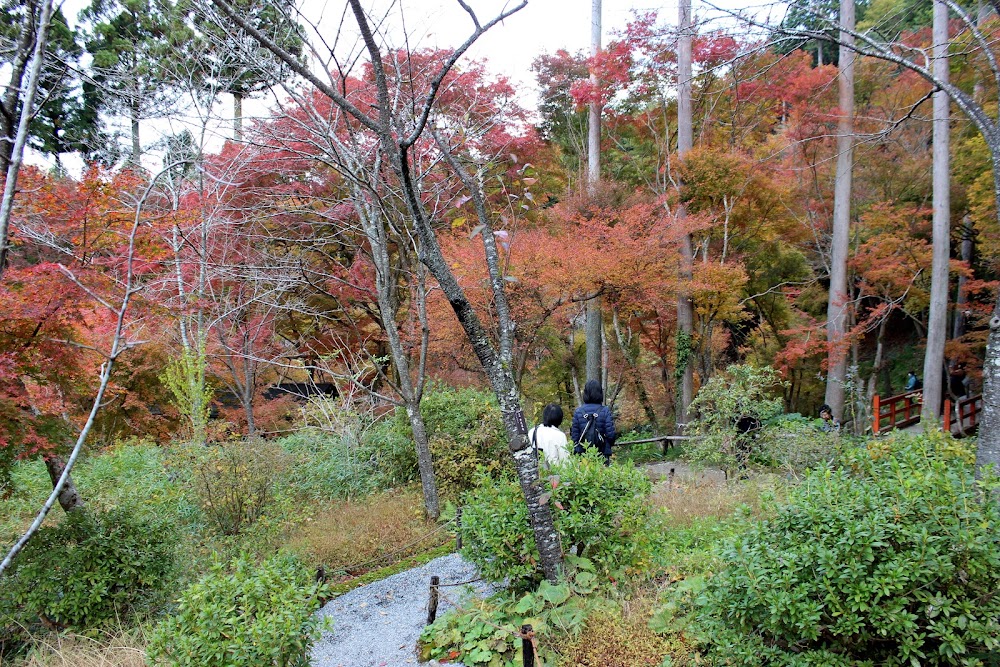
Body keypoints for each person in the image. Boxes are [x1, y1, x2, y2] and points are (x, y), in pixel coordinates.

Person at [571, 380, 616, 464]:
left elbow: (574, 437)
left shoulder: (578, 412)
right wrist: (607, 445)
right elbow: (611, 435)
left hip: (583, 455)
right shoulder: (605, 411)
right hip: (602, 453)